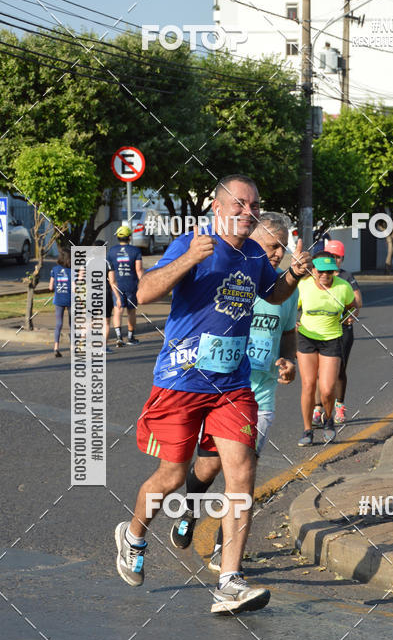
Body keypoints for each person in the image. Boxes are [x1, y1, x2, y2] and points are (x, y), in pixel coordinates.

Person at [114, 175, 311, 616]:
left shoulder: (256, 256)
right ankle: (133, 535)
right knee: (171, 476)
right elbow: (142, 293)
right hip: (181, 381)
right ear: (218, 208)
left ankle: (229, 581)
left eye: (255, 205)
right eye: (240, 204)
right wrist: (188, 259)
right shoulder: (192, 241)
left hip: (233, 386)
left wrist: (293, 275)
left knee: (241, 472)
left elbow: (272, 292)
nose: (248, 212)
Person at [170, 212, 298, 570]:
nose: (276, 255)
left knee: (242, 474)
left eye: (282, 249)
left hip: (261, 395)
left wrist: (288, 360)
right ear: (251, 238)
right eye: (272, 246)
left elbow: (287, 332)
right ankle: (189, 512)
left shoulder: (284, 290)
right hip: (221, 391)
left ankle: (224, 550)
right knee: (208, 466)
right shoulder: (234, 276)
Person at [296, 253, 354, 446]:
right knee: (309, 384)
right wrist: (292, 322)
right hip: (306, 337)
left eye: (329, 272)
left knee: (327, 389)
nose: (325, 276)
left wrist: (350, 316)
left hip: (332, 338)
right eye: (321, 271)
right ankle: (307, 430)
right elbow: (291, 307)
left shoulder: (343, 287)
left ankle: (328, 421)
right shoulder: (303, 285)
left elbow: (352, 307)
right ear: (313, 271)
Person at [310, 239, 362, 426]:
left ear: (342, 258)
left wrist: (348, 315)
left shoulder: (346, 277)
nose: (334, 260)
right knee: (316, 372)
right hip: (316, 331)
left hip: (341, 331)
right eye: (331, 256)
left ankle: (339, 405)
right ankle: (317, 409)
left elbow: (357, 302)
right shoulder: (313, 278)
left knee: (338, 371)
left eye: (337, 257)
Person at [107, 225, 144, 346]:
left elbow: (110, 273)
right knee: (131, 311)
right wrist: (144, 283)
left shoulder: (111, 251)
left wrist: (113, 286)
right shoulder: (135, 251)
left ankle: (119, 337)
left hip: (117, 285)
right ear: (129, 237)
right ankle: (130, 337)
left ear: (118, 237)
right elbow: (139, 270)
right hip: (132, 285)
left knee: (118, 310)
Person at [48, 248, 72, 357]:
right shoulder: (72, 271)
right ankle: (72, 346)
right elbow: (75, 287)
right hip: (70, 300)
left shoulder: (54, 269)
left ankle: (56, 347)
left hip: (58, 300)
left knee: (59, 324)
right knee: (72, 324)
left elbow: (50, 287)